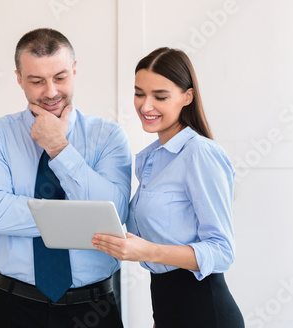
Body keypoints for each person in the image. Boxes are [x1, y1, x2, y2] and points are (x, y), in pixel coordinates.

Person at [0, 28, 131, 328]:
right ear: (19, 78)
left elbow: (116, 212)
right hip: (14, 308)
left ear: (74, 70)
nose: (50, 92)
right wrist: (85, 216)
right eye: (36, 81)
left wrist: (59, 148)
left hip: (93, 309)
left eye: (60, 77)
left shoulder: (108, 136)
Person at [92, 47, 244, 327]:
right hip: (166, 310)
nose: (145, 106)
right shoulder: (151, 157)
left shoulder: (199, 153)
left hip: (205, 314)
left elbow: (222, 252)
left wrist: (147, 251)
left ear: (187, 96)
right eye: (139, 93)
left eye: (160, 96)